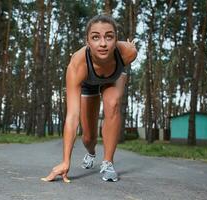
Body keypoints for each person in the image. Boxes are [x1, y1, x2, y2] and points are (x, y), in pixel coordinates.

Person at [41, 14, 137, 183]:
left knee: (112, 103)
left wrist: (130, 46)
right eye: (95, 37)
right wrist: (66, 161)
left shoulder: (128, 53)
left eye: (109, 37)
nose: (102, 43)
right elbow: (72, 117)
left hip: (113, 78)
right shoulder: (77, 64)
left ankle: (108, 163)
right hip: (88, 82)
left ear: (116, 40)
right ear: (87, 41)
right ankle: (91, 152)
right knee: (88, 137)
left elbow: (127, 54)